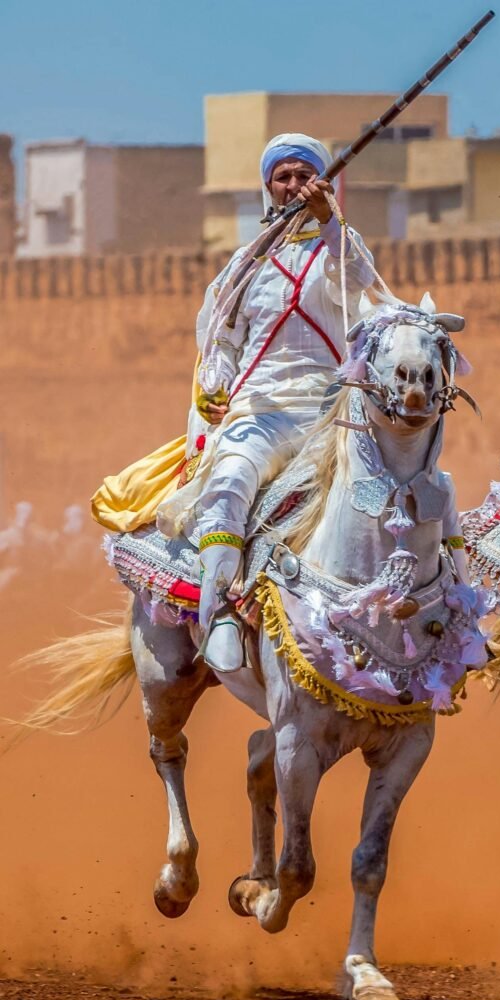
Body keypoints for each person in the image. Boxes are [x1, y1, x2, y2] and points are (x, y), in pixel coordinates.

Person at [158, 132, 377, 672]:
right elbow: (222, 341)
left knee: (398, 494)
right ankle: (222, 609)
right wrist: (215, 386)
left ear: (322, 184)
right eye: (285, 176)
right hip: (260, 411)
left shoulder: (340, 249)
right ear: (269, 188)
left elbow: (360, 282)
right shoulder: (242, 265)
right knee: (230, 482)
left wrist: (331, 222)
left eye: (306, 175)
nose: (295, 185)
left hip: (332, 415)